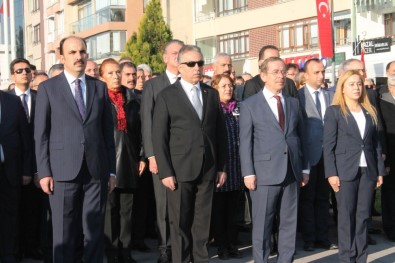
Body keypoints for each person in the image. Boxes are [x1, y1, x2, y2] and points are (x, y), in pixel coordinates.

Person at [34, 36, 116, 262]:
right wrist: (44, 172)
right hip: (61, 170)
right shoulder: (48, 88)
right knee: (63, 232)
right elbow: (40, 135)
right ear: (61, 56)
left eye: (82, 51)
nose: (78, 56)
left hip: (95, 170)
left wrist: (111, 170)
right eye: (72, 52)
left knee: (94, 232)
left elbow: (107, 133)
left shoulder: (99, 87)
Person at [152, 45, 228, 263]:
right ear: (180, 66)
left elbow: (219, 133)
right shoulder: (167, 95)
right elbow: (159, 137)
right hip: (179, 169)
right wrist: (165, 171)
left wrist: (222, 166)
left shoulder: (211, 94)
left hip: (208, 168)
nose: (197, 68)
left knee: (202, 224)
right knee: (180, 224)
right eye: (192, 64)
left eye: (201, 63)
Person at [239, 57, 308, 263]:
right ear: (263, 76)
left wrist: (305, 169)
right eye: (275, 72)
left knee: (289, 223)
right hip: (264, 174)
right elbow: (245, 142)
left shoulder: (294, 103)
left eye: (283, 71)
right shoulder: (250, 105)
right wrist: (248, 172)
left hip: (292, 171)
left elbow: (300, 138)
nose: (281, 76)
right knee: (263, 225)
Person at [323, 70, 385, 262]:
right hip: (344, 171)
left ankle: (361, 257)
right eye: (351, 84)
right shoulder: (334, 111)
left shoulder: (369, 111)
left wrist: (380, 170)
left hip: (368, 171)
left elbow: (375, 144)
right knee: (346, 218)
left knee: (363, 216)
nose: (357, 87)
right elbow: (328, 145)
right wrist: (331, 173)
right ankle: (347, 257)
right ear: (342, 88)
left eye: (359, 84)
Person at [141, 39, 184, 263]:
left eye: (182, 53)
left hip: (185, 154)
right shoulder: (153, 85)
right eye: (175, 53)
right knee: (163, 204)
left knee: (183, 203)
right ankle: (165, 248)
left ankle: (181, 246)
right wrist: (152, 155)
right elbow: (147, 122)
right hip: (161, 154)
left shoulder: (189, 83)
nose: (178, 56)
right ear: (165, 57)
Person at [99, 59, 145, 263]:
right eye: (110, 73)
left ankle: (126, 253)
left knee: (127, 211)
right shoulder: (99, 101)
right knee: (111, 211)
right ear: (101, 77)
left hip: (129, 161)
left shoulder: (132, 100)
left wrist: (142, 156)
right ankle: (111, 254)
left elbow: (142, 132)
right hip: (107, 163)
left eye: (118, 72)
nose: (116, 76)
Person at [297, 58, 337, 252]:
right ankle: (309, 238)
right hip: (308, 156)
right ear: (306, 75)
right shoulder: (298, 97)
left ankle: (323, 237)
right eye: (317, 72)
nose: (321, 76)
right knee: (307, 199)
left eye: (323, 72)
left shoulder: (331, 96)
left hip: (328, 156)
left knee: (323, 198)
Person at [8, 58, 44, 260]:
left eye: (27, 70)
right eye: (19, 70)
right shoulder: (5, 99)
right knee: (14, 210)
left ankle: (33, 246)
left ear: (32, 73)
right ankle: (16, 248)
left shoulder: (41, 97)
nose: (23, 73)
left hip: (38, 162)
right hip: (12, 165)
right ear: (13, 75)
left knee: (34, 210)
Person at [211, 74, 243, 260]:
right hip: (219, 166)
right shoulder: (213, 109)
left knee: (234, 210)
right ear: (215, 88)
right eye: (223, 86)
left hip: (237, 166)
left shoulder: (239, 108)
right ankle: (222, 245)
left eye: (230, 86)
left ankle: (232, 244)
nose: (228, 89)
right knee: (219, 210)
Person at [0, 89, 31, 262]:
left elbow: (25, 138)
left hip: (10, 169)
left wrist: (27, 170)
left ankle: (9, 253)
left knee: (10, 213)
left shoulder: (12, 102)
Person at [378, 73, 395, 242]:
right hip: (390, 153)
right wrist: (385, 158)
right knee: (390, 193)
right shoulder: (380, 97)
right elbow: (381, 130)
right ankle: (390, 228)